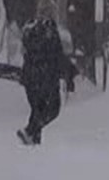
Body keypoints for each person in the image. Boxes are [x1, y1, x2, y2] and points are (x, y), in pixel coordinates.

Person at [16, 14, 78, 146]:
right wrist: (70, 74)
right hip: (46, 79)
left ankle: (33, 142)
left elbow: (25, 53)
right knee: (53, 110)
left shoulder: (31, 30)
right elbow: (58, 57)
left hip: (30, 79)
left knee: (37, 110)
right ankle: (29, 132)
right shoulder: (51, 33)